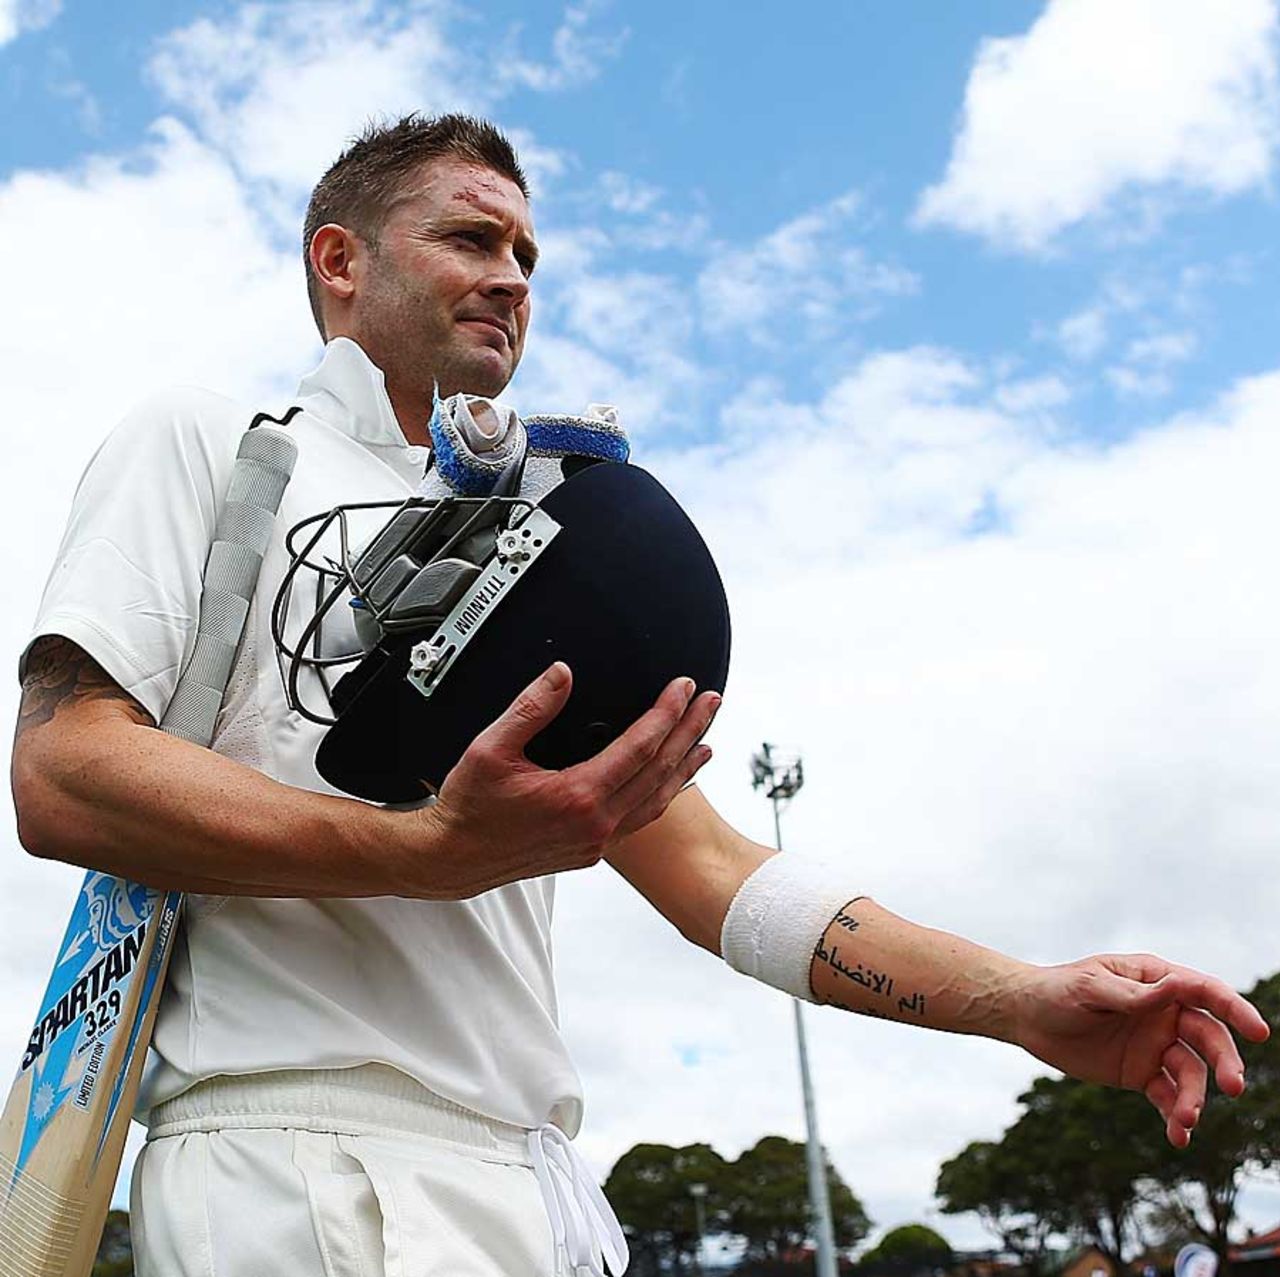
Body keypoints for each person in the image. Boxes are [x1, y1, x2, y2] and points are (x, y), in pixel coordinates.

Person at [12, 113, 1269, 1277]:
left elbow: (717, 874)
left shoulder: (532, 529)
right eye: (469, 238)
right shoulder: (218, 439)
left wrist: (1017, 999)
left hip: (535, 1182)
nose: (511, 277)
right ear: (339, 260)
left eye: (525, 255)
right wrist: (421, 852)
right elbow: (63, 769)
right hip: (306, 1158)